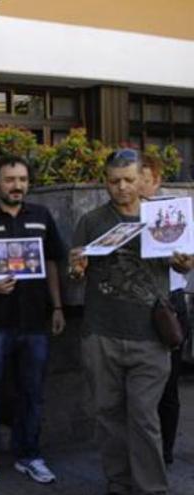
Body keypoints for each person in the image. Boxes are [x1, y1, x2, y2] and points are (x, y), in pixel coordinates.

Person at [69, 149, 191, 495]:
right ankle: (118, 483)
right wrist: (76, 267)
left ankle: (151, 488)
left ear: (142, 178)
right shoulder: (91, 221)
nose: (121, 187)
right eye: (113, 181)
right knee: (108, 416)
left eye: (128, 179)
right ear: (105, 182)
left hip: (150, 336)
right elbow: (75, 274)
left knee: (143, 417)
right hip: (101, 334)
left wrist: (184, 262)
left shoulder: (163, 217)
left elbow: (184, 266)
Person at [0, 156, 65, 486]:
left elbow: (52, 261)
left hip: (35, 321)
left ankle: (30, 456)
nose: (17, 185)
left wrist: (58, 307)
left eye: (22, 179)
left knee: (33, 393)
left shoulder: (42, 216)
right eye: (9, 179)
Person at [139, 154, 191, 466]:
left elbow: (189, 258)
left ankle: (165, 453)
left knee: (168, 386)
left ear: (157, 181)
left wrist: (183, 260)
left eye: (143, 178)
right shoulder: (118, 215)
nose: (136, 185)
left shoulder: (175, 213)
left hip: (168, 304)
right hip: (132, 304)